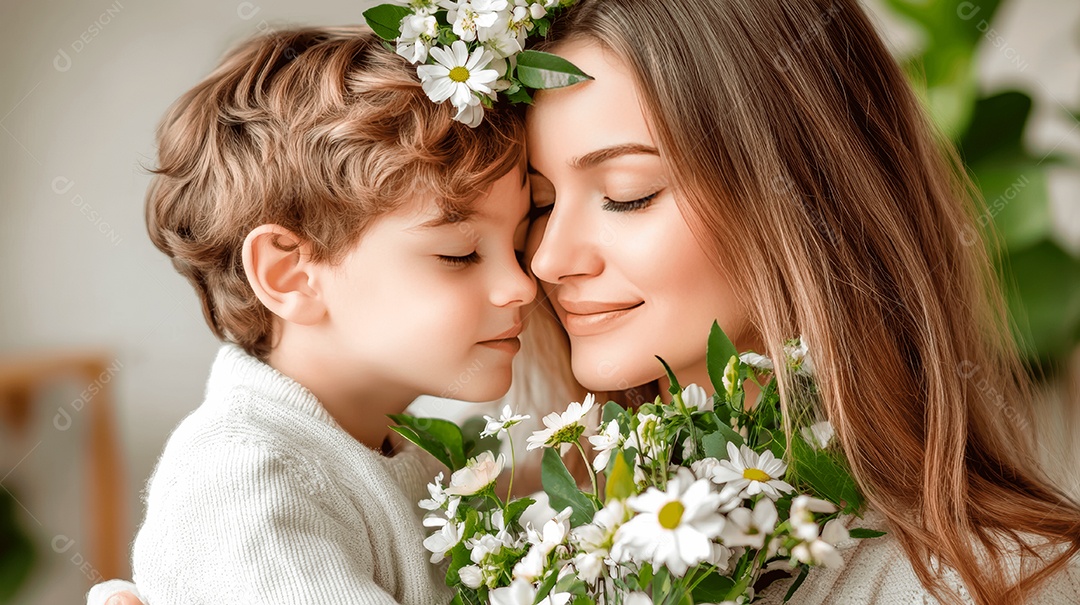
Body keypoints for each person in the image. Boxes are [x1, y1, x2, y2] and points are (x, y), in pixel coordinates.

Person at [520, 0, 1080, 603]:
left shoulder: (994, 582)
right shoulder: (532, 548)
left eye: (628, 194)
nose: (548, 260)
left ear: (801, 195)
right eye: (541, 202)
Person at [95, 24, 536, 605]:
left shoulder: (406, 452)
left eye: (522, 244)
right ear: (291, 275)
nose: (522, 285)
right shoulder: (243, 479)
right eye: (459, 254)